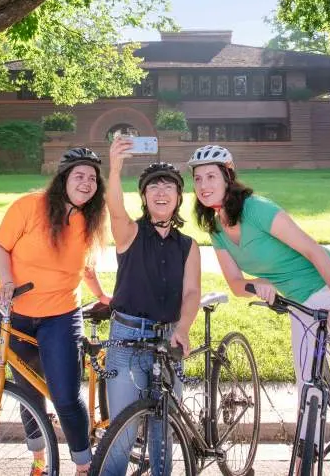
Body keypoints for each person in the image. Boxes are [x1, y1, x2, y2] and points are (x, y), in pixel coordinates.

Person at [188, 144, 330, 434]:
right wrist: (257, 285)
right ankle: (303, 459)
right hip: (301, 304)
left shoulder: (256, 209)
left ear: (228, 176)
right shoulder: (216, 229)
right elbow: (236, 285)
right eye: (197, 178)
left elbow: (314, 251)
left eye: (211, 176)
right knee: (307, 387)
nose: (203, 185)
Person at [0, 147, 111, 476]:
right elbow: (1, 247)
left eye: (92, 178)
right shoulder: (29, 206)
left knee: (65, 396)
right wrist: (6, 280)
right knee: (28, 395)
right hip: (14, 314)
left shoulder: (89, 221)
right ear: (63, 178)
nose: (86, 182)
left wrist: (102, 296)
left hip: (60, 316)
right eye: (79, 175)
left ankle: (84, 465)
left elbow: (86, 268)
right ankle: (39, 460)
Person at [104, 135, 201, 475]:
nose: (161, 192)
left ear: (178, 197)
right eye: (154, 187)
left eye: (169, 187)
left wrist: (184, 328)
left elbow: (191, 293)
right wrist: (115, 168)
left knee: (164, 431)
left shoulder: (188, 246)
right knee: (121, 434)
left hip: (169, 338)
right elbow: (114, 207)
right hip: (127, 339)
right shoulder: (129, 233)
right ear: (144, 197)